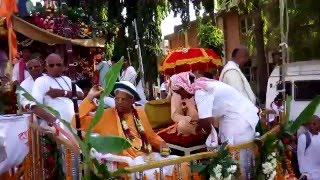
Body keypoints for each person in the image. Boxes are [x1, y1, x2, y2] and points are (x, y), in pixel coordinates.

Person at [71, 81, 190, 179]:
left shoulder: (140, 113)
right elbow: (76, 122)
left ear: (132, 100)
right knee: (148, 174)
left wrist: (164, 150)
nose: (119, 102)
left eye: (123, 99)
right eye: (117, 99)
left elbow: (152, 136)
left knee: (182, 164)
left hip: (147, 156)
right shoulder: (106, 115)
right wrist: (90, 97)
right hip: (126, 162)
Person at [170, 72, 259, 177]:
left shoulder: (201, 92)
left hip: (239, 120)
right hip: (237, 117)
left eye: (180, 92)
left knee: (238, 160)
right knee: (237, 159)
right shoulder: (201, 84)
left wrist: (201, 132)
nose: (181, 97)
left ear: (184, 86)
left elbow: (206, 121)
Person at [32, 54, 84, 128]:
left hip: (75, 122)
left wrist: (63, 93)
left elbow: (81, 94)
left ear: (62, 66)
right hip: (57, 126)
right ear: (46, 67)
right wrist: (50, 118)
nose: (55, 67)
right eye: (51, 65)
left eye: (58, 65)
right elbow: (35, 106)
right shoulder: (41, 81)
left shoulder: (67, 79)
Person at [297, 115, 320, 180]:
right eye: (310, 124)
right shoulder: (303, 137)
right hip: (309, 174)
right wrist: (304, 173)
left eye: (314, 124)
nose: (311, 126)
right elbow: (300, 157)